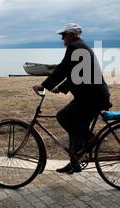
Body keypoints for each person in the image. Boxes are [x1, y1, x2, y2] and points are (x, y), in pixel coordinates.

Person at [32, 23, 111, 174]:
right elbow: (76, 74)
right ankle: (75, 162)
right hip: (93, 96)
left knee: (63, 116)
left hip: (91, 98)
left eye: (63, 35)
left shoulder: (75, 48)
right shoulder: (80, 47)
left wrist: (44, 85)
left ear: (71, 35)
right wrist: (60, 88)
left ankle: (92, 140)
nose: (62, 39)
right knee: (75, 130)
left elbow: (63, 69)